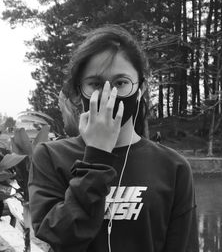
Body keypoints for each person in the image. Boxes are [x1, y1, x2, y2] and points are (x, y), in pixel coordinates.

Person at [28, 25, 199, 252]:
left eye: (120, 83)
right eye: (96, 84)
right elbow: (58, 237)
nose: (109, 94)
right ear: (80, 91)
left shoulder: (173, 167)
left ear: (141, 89)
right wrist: (97, 157)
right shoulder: (50, 157)